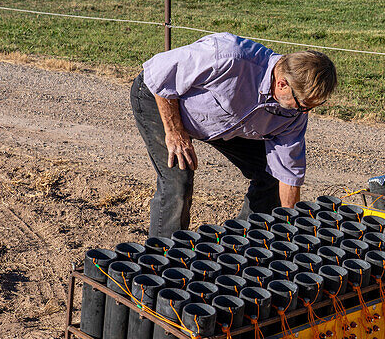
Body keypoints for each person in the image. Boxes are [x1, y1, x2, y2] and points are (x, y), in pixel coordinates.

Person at [131, 33, 337, 237]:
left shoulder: (294, 113)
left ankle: (240, 243)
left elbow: (287, 172)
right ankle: (162, 259)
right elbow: (159, 72)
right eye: (303, 104)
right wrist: (175, 132)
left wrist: (290, 227)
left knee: (270, 174)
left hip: (223, 122)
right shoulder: (229, 57)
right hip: (162, 99)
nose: (305, 111)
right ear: (282, 84)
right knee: (178, 181)